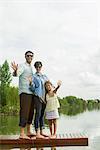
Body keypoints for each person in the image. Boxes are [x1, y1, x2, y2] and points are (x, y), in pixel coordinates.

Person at [11, 51, 35, 139]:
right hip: (24, 92)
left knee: (31, 112)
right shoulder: (22, 66)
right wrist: (15, 71)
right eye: (28, 55)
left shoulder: (31, 68)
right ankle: (22, 133)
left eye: (31, 56)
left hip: (32, 92)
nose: (30, 57)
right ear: (25, 56)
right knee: (24, 111)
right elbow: (16, 74)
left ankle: (28, 131)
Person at [29, 61, 49, 138]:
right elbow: (32, 88)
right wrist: (31, 83)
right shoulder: (33, 77)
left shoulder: (44, 76)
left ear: (41, 67)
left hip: (45, 98)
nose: (38, 68)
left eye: (39, 66)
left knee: (42, 115)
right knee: (37, 114)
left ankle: (41, 132)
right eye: (37, 66)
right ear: (35, 67)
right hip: (37, 97)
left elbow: (49, 85)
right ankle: (37, 133)